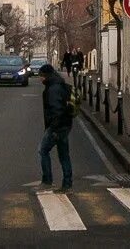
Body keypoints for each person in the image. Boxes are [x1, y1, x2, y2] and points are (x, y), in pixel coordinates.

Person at [36, 63, 74, 192]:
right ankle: (67, 184)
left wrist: (54, 129)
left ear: (45, 76)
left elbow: (57, 110)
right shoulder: (60, 84)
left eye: (40, 76)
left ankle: (47, 180)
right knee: (64, 155)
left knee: (43, 150)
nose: (39, 78)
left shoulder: (53, 89)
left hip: (57, 127)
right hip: (66, 125)